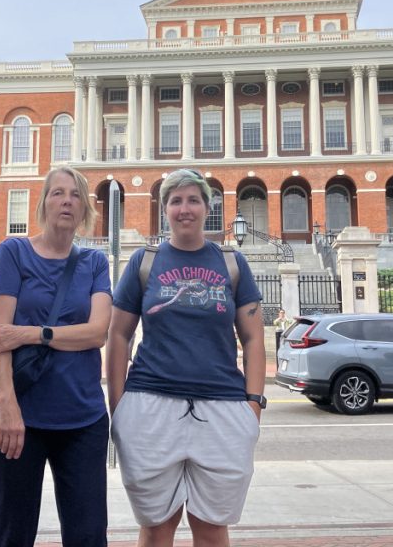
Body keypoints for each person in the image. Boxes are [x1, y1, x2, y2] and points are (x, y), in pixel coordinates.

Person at [107, 168, 265, 547]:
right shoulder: (144, 262)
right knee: (157, 526)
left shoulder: (231, 263)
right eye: (175, 200)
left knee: (211, 528)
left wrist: (253, 406)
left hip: (223, 406)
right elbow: (118, 335)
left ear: (207, 207)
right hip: (150, 403)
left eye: (193, 199)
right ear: (164, 209)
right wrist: (119, 408)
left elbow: (254, 338)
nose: (184, 208)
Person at [0, 166, 112, 547]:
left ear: (85, 207)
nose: (67, 200)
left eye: (74, 194)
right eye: (57, 193)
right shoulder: (14, 252)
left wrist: (32, 334)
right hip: (18, 420)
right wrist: (7, 406)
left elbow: (96, 333)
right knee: (12, 535)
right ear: (43, 204)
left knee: (88, 535)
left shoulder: (94, 264)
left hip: (82, 418)